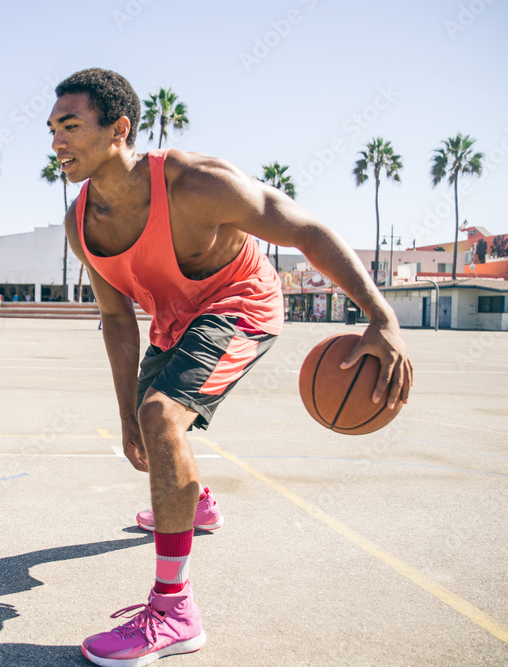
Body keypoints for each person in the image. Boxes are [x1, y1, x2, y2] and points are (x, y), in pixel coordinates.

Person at [47, 68, 413, 666]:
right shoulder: (81, 224)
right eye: (52, 129)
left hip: (240, 304)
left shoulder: (195, 183)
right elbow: (116, 321)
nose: (57, 142)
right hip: (173, 319)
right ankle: (198, 500)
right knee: (149, 429)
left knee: (162, 417)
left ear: (119, 130)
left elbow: (306, 230)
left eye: (70, 126)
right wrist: (122, 415)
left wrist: (382, 317)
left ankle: (174, 610)